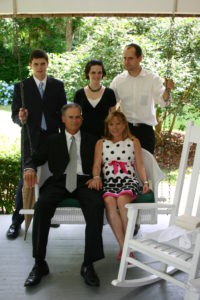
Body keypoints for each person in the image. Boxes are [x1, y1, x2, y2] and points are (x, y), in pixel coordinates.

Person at [23, 103, 104, 288]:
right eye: (70, 117)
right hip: (60, 181)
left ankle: (88, 264)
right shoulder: (53, 140)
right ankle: (39, 263)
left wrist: (97, 178)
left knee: (96, 206)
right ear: (63, 119)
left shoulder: (93, 140)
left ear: (82, 119)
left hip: (85, 182)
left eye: (77, 117)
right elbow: (34, 159)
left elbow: (104, 163)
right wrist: (29, 168)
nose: (74, 121)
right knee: (41, 206)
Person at [7, 49, 67, 239]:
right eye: (36, 64)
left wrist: (64, 138)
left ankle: (49, 215)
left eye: (43, 64)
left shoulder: (57, 86)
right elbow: (15, 115)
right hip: (30, 139)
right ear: (31, 65)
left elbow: (63, 114)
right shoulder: (22, 87)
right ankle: (16, 222)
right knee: (26, 178)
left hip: (51, 138)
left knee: (51, 176)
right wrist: (21, 117)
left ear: (47, 64)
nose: (40, 68)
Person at [88, 111, 149, 260]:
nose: (115, 127)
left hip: (128, 180)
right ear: (107, 126)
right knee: (109, 202)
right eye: (111, 124)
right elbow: (96, 165)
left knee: (122, 200)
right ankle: (125, 247)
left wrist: (145, 182)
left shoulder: (133, 141)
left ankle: (126, 249)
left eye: (118, 123)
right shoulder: (101, 143)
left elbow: (140, 165)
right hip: (110, 182)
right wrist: (96, 177)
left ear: (124, 125)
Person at [110, 43, 174, 154]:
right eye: (124, 58)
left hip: (145, 131)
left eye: (130, 58)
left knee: (146, 168)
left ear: (140, 58)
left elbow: (164, 102)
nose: (126, 62)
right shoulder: (118, 80)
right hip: (125, 130)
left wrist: (167, 89)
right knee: (125, 167)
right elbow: (111, 105)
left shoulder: (152, 79)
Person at [74, 59, 116, 138]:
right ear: (87, 73)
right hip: (84, 136)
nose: (96, 75)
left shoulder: (109, 93)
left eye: (99, 72)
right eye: (93, 72)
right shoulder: (79, 94)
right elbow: (75, 117)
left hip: (105, 135)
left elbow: (113, 117)